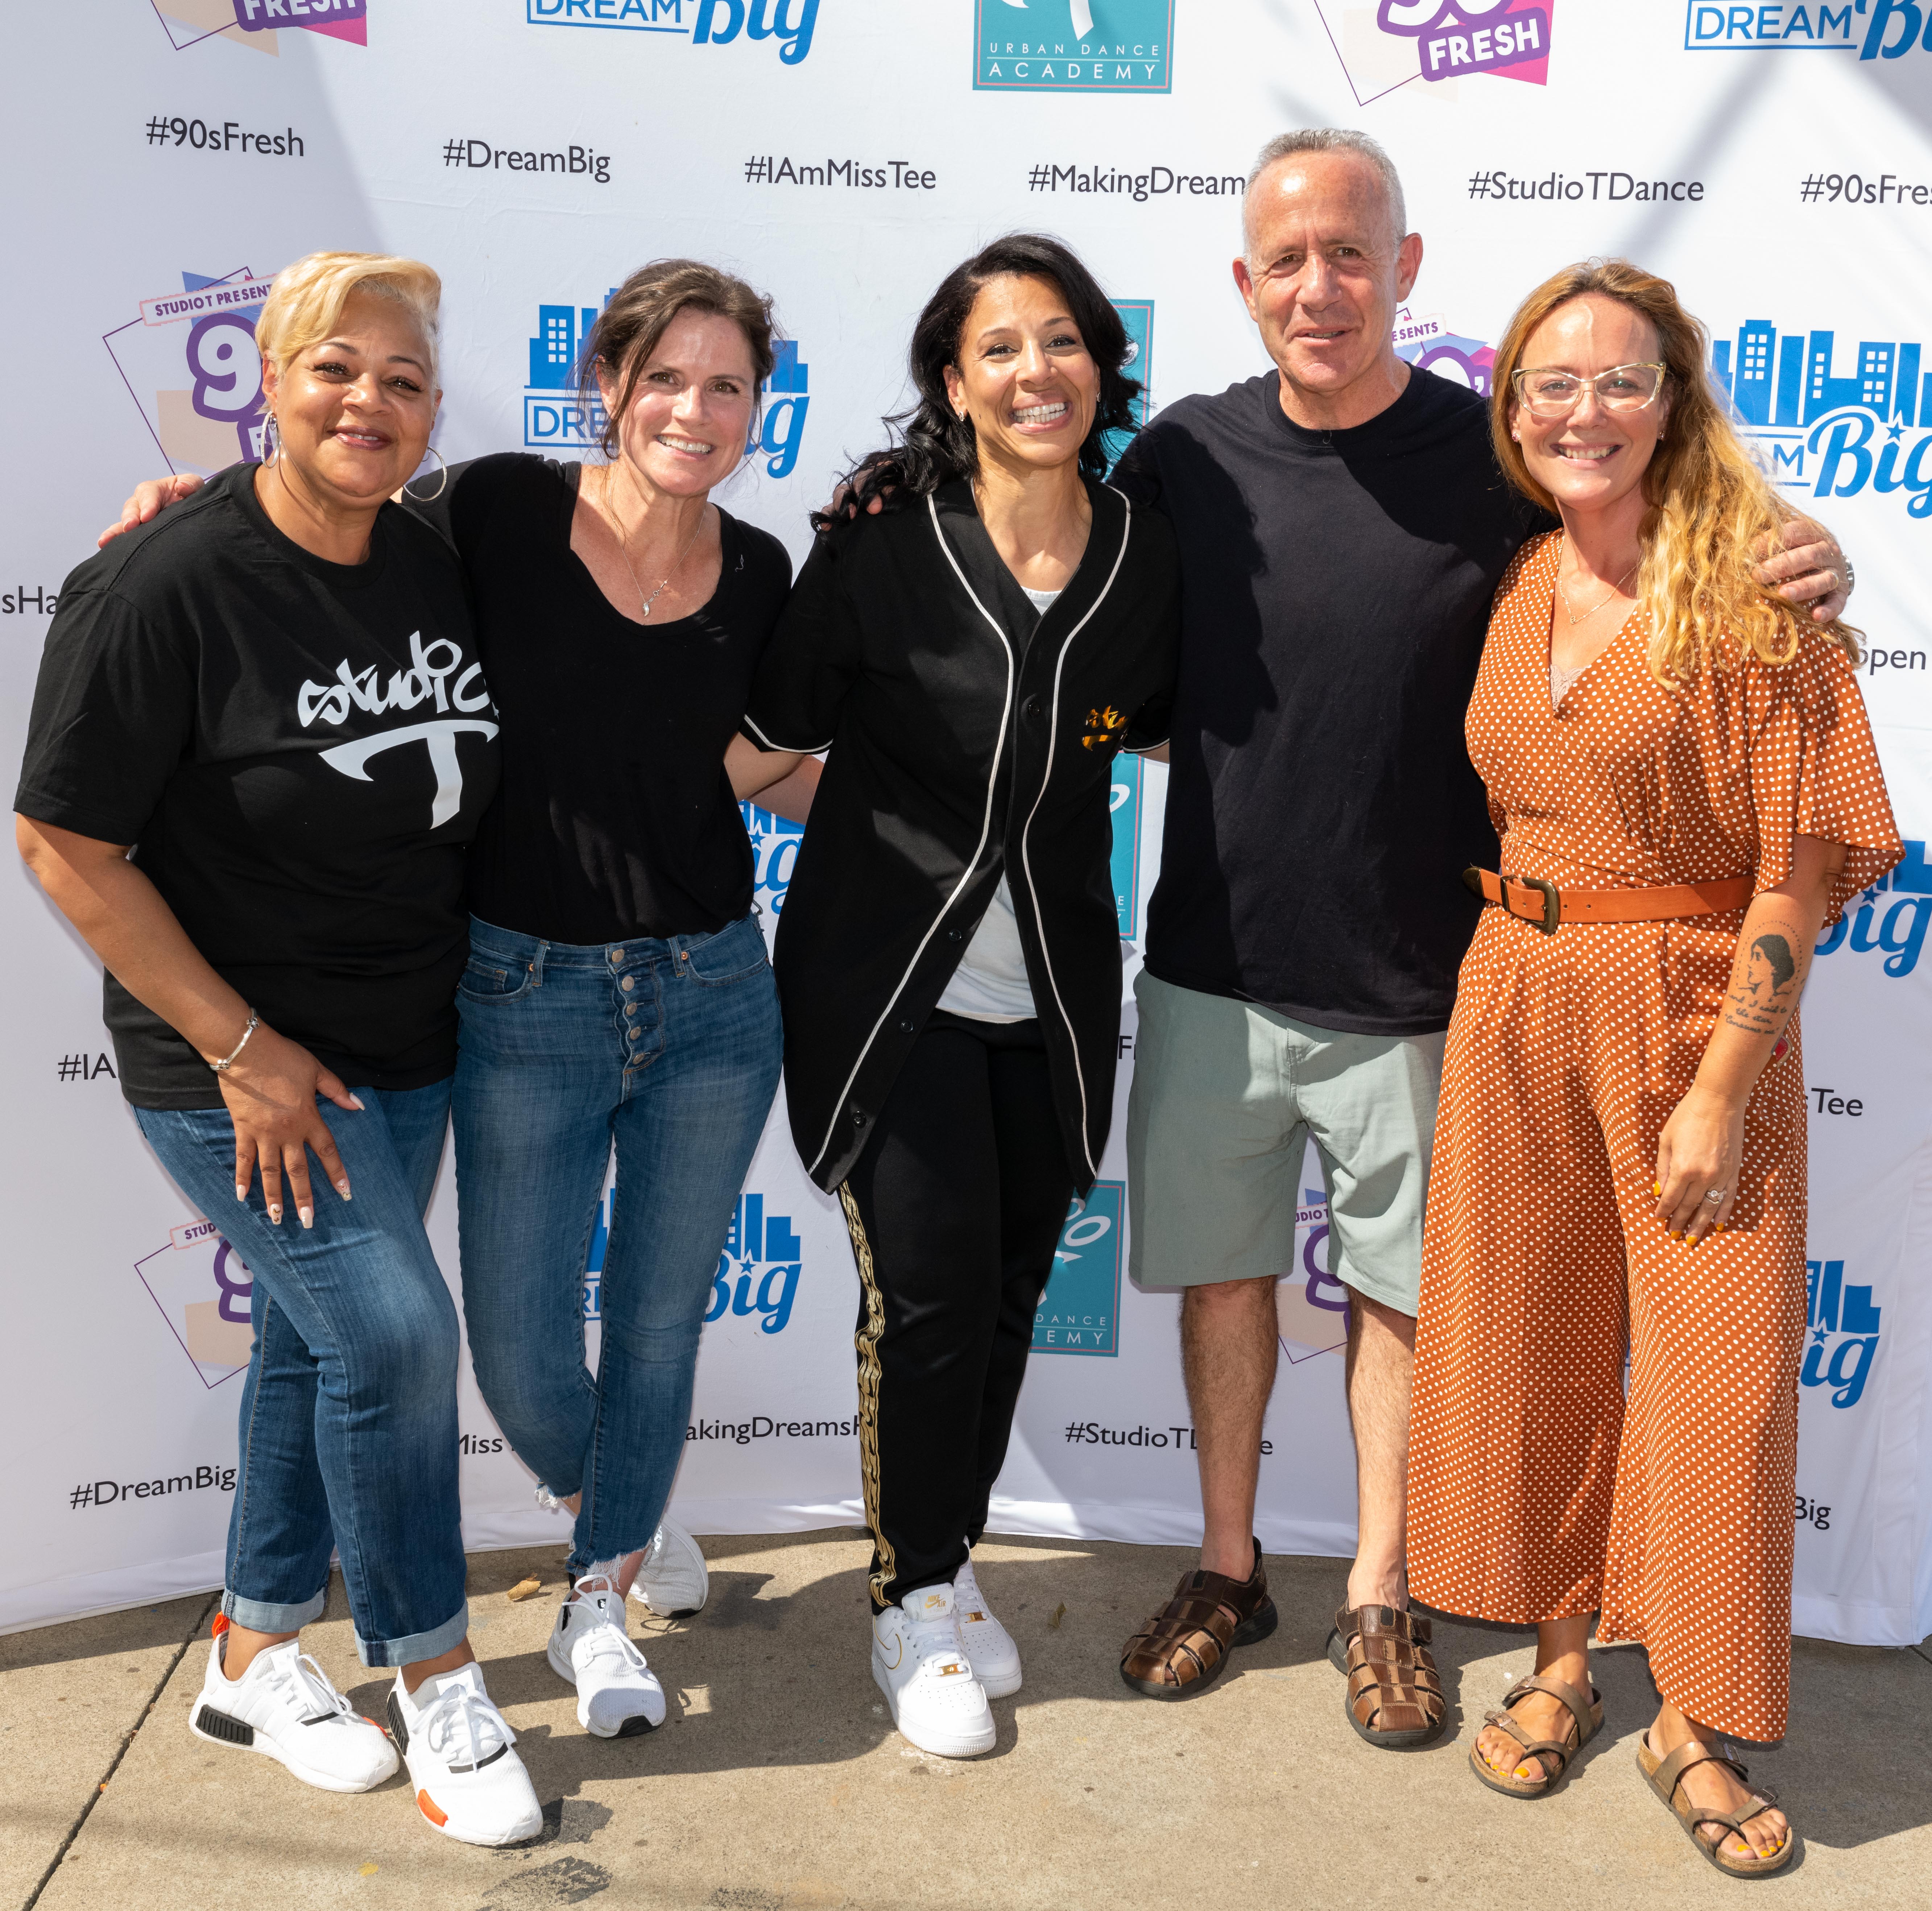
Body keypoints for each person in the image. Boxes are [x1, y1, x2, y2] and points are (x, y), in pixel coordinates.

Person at [1106, 130, 1853, 1742]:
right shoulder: (1176, 456)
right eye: (1286, 261)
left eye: (1350, 253)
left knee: (1409, 1307)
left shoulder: (1489, 459)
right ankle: (1230, 1569)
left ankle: (1383, 1592)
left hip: (1429, 983)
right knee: (1227, 1286)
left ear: (1408, 269)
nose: (1320, 287)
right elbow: (1073, 615)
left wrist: (1808, 551)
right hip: (1211, 968)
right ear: (1243, 284)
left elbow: (1674, 544)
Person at [102, 259, 819, 1744]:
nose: (693, 408)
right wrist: (192, 505)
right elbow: (313, 529)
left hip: (710, 993)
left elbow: (750, 758)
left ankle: (599, 1592)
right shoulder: (487, 513)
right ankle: (614, 1505)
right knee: (511, 1349)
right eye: (663, 377)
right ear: (606, 385)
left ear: (761, 407)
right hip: (522, 992)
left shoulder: (761, 574)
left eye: (727, 384)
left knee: (662, 1321)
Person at [16, 252, 542, 1846]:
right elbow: (61, 843)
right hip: (233, 1064)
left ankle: (250, 1648)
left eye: (400, 379)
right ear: (267, 373)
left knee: (320, 1347)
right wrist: (242, 1047)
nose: (366, 402)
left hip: (410, 1043)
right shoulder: (164, 580)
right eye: (335, 368)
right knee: (389, 1336)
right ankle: (435, 1675)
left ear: (433, 411)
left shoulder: (441, 550)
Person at [1407, 260, 1899, 1877]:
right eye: (1551, 382)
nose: (1583, 409)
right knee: (1532, 1340)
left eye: (1621, 380)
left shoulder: (1758, 595)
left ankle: (1691, 1713)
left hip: (1695, 1012)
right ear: (1512, 407)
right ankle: (1559, 1660)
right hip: (1513, 997)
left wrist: (1724, 1078)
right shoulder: (1520, 578)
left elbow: (1802, 860)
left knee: (1720, 1378)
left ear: (1675, 401)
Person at [736, 234, 1179, 1759]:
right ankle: (909, 1598)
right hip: (886, 993)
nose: (1033, 371)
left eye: (1059, 342)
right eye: (999, 347)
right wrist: (866, 821)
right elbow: (756, 738)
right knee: (923, 1306)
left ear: (1099, 368)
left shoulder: (1146, 548)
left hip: (1054, 993)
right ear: (953, 380)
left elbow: (1170, 721)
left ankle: (948, 1556)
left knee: (998, 1303)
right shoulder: (879, 541)